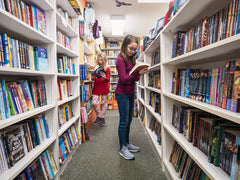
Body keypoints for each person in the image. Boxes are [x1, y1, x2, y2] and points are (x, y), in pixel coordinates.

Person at [115, 35, 148, 160]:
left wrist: (139, 73)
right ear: (125, 45)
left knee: (129, 120)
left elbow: (136, 79)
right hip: (122, 93)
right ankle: (122, 148)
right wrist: (137, 74)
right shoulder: (120, 60)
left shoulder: (132, 59)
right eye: (131, 48)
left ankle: (127, 143)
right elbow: (123, 79)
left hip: (130, 92)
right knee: (123, 121)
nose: (132, 51)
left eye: (135, 49)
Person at [92, 52, 110, 126]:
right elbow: (94, 79)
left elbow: (108, 79)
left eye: (101, 60)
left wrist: (103, 76)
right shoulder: (95, 67)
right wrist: (92, 77)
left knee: (103, 103)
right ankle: (99, 116)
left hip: (104, 87)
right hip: (97, 87)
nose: (100, 61)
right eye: (98, 60)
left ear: (104, 60)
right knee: (94, 103)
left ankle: (102, 118)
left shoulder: (107, 68)